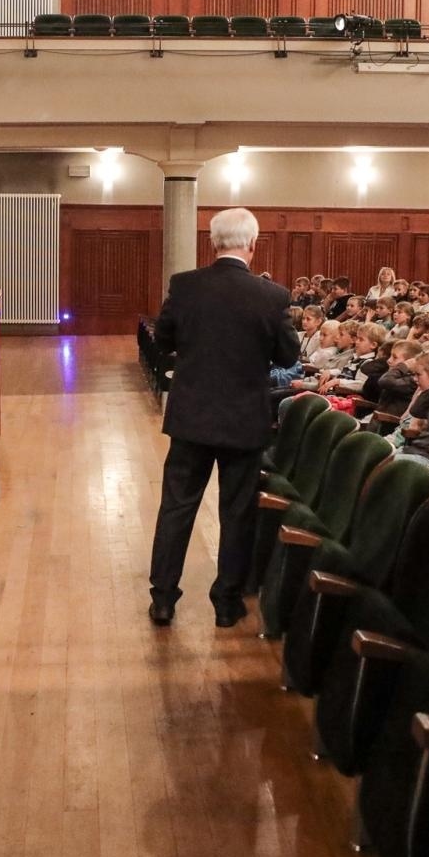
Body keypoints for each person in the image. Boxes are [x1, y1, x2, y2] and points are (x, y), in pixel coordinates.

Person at [148, 208, 298, 628]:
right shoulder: (272, 296)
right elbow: (288, 355)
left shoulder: (185, 285)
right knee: (236, 514)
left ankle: (163, 599)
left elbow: (163, 339)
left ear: (213, 243)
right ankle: (226, 603)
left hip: (191, 417)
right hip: (243, 421)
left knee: (177, 508)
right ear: (253, 243)